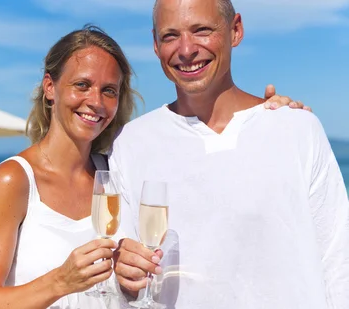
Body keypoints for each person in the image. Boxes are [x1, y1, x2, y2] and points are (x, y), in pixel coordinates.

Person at [0, 25, 307, 309]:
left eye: (109, 91)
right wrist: (60, 281)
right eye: (82, 85)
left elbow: (205, 171)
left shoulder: (115, 174)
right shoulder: (15, 180)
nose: (95, 102)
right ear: (50, 87)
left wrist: (265, 116)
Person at [110, 0, 349, 308]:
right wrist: (124, 271)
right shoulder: (131, 143)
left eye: (202, 31)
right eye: (170, 36)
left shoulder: (297, 130)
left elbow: (339, 260)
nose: (186, 49)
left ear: (235, 30)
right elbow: (123, 278)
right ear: (155, 45)